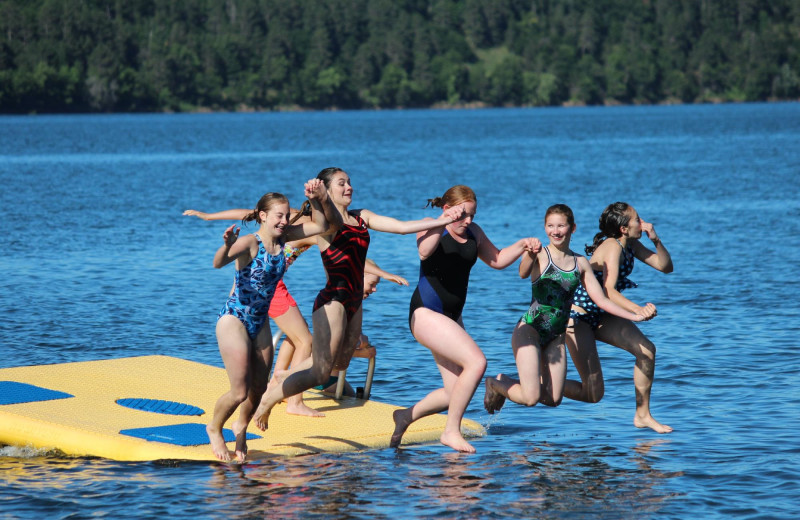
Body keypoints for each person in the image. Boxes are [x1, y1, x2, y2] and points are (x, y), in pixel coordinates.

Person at [252, 167, 464, 432]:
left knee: (339, 364)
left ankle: (285, 375)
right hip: (334, 300)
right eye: (342, 183)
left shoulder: (362, 217)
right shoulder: (326, 225)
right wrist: (319, 199)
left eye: (350, 182)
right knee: (320, 371)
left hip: (354, 299)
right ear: (328, 190)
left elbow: (401, 227)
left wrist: (441, 220)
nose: (349, 187)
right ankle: (270, 398)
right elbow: (321, 221)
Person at [184, 211, 408, 414]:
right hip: (268, 288)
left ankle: (275, 383)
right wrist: (385, 274)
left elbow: (249, 212)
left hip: (256, 285)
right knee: (305, 340)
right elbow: (350, 258)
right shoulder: (313, 228)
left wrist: (209, 216)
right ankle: (294, 401)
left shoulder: (289, 218)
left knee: (296, 334)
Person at [389, 185, 541, 453]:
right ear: (448, 209)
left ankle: (405, 416)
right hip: (425, 312)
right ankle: (451, 431)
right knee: (477, 362)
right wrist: (444, 221)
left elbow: (496, 260)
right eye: (463, 215)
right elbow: (424, 251)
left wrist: (522, 245)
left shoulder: (474, 231)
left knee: (454, 391)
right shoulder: (430, 224)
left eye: (472, 215)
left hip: (452, 317)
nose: (468, 221)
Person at [482, 204, 648, 420]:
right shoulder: (540, 253)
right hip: (529, 330)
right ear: (545, 228)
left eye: (561, 226)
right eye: (550, 226)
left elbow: (602, 300)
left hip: (556, 337)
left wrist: (635, 315)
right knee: (531, 398)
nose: (556, 231)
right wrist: (529, 254)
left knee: (553, 399)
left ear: (573, 228)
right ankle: (495, 383)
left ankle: (508, 384)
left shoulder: (580, 263)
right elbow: (523, 273)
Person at [206, 179, 329, 462]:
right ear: (262, 216)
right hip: (234, 319)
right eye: (279, 216)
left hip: (260, 322)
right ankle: (214, 428)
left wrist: (318, 199)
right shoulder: (251, 243)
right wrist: (227, 246)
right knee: (239, 391)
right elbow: (217, 263)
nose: (285, 221)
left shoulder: (285, 239)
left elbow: (321, 226)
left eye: (287, 216)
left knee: (259, 389)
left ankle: (240, 427)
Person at [563, 202, 673, 433]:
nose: (642, 224)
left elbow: (665, 266)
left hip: (602, 314)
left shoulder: (630, 244)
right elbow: (608, 291)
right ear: (623, 228)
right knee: (592, 394)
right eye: (637, 220)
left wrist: (655, 239)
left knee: (646, 350)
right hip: (578, 317)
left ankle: (643, 415)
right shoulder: (612, 246)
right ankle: (534, 386)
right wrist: (638, 311)